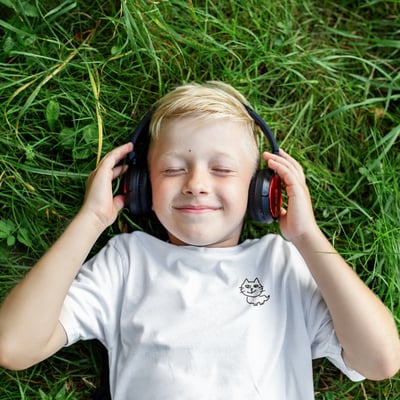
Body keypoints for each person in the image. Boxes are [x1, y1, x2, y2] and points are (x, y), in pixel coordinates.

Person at [0, 81, 399, 399]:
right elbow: (13, 345)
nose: (196, 184)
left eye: (222, 169)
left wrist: (307, 237)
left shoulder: (282, 262)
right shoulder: (127, 262)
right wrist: (91, 219)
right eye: (173, 169)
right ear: (141, 186)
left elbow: (380, 359)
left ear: (262, 189)